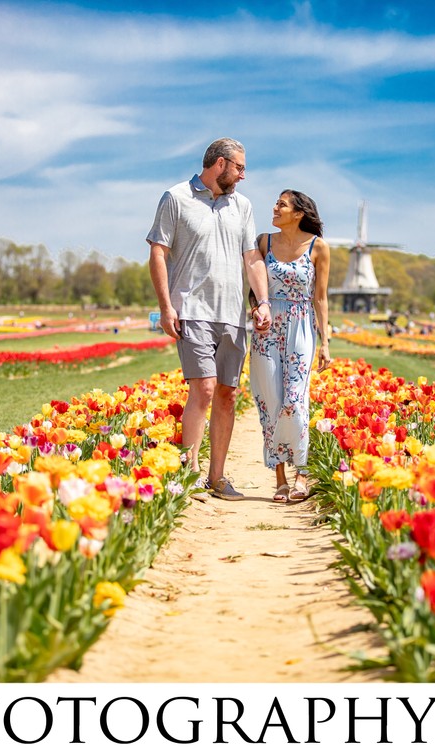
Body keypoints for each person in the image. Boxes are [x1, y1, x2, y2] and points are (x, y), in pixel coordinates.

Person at [147, 138, 272, 500]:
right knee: (203, 388)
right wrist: (166, 306)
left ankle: (217, 477)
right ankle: (190, 475)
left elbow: (251, 257)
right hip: (192, 308)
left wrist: (262, 301)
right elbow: (158, 253)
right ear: (220, 164)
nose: (243, 176)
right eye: (240, 168)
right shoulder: (176, 197)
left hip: (231, 314)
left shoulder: (242, 205)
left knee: (227, 394)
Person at [248, 190, 331, 503]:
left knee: (295, 400)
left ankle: (302, 472)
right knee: (270, 400)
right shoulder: (263, 242)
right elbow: (254, 288)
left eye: (281, 204)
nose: (274, 207)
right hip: (267, 328)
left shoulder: (318, 246)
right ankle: (280, 478)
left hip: (301, 325)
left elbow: (320, 298)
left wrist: (325, 343)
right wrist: (257, 308)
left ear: (298, 213)